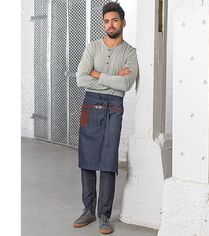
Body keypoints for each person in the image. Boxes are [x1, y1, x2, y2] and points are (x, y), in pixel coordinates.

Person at [73, 2, 138, 234]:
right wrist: (112, 79)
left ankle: (104, 216)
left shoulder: (130, 52)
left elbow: (126, 84)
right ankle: (88, 210)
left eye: (115, 20)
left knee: (108, 162)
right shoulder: (92, 47)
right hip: (90, 104)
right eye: (107, 21)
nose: (110, 25)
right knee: (87, 160)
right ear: (104, 23)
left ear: (123, 22)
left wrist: (98, 74)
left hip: (114, 108)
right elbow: (81, 79)